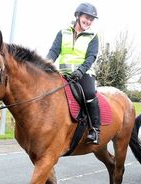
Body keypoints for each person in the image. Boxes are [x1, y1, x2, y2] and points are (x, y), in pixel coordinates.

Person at [46, 2, 100, 144]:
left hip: (84, 73)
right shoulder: (63, 32)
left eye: (91, 19)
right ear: (78, 16)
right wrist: (45, 64)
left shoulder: (93, 36)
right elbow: (54, 51)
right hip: (62, 73)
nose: (88, 21)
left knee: (89, 93)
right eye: (86, 17)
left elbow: (91, 57)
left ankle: (95, 129)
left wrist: (80, 71)